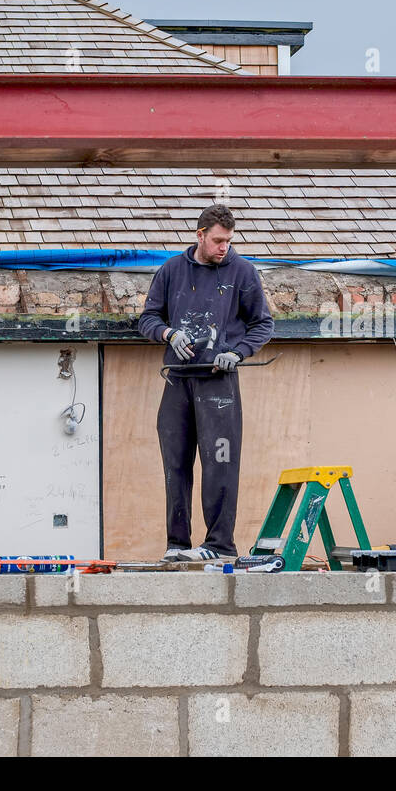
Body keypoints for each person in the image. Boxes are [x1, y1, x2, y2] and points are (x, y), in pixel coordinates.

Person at [138, 205, 274, 561]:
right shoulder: (171, 270)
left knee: (221, 464)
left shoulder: (242, 272)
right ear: (200, 235)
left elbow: (263, 324)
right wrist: (168, 333)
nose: (223, 247)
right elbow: (148, 318)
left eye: (228, 241)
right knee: (176, 465)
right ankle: (177, 545)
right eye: (217, 240)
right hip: (178, 381)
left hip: (219, 383)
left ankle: (218, 545)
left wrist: (239, 352)